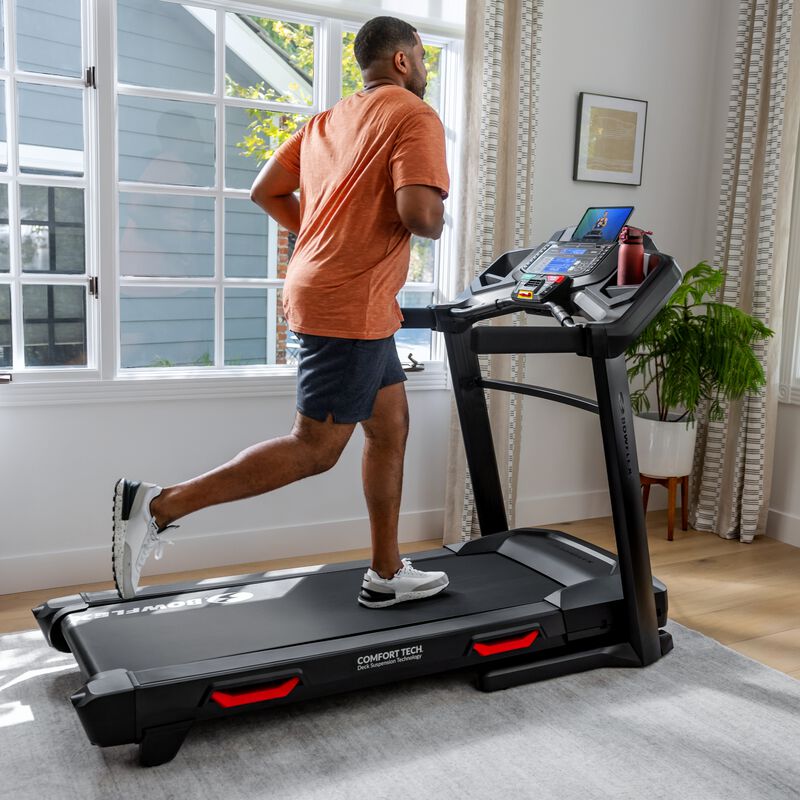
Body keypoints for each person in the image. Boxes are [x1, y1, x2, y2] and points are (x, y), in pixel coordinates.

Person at [112, 16, 451, 609]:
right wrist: (425, 221)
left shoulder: (325, 121)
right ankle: (159, 505)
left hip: (346, 295)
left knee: (389, 428)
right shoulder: (414, 115)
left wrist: (324, 236)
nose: (424, 70)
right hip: (349, 300)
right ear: (403, 59)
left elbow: (264, 190)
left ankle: (386, 571)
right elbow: (420, 214)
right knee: (315, 449)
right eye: (422, 58)